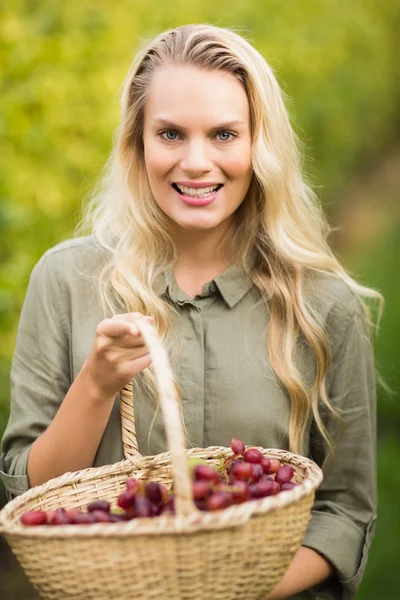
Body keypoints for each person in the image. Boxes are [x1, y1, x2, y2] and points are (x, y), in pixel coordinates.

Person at [0, 24, 380, 600]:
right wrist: (98, 383)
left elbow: (344, 511)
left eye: (225, 134)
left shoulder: (324, 307)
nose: (197, 162)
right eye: (171, 133)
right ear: (138, 142)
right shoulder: (66, 281)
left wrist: (227, 589)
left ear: (260, 146)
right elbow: (30, 501)